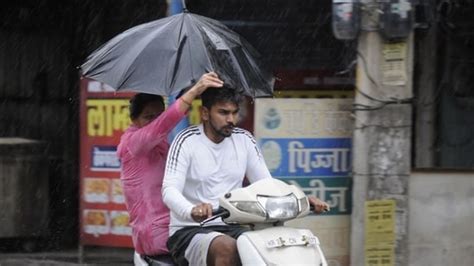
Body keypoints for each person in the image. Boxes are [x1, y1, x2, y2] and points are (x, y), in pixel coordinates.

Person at [162, 86, 329, 265]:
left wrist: (302, 199)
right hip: (191, 230)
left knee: (268, 248)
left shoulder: (244, 139)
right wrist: (191, 211)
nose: (231, 119)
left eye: (234, 113)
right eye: (223, 113)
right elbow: (169, 190)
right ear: (205, 113)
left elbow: (267, 185)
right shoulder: (186, 140)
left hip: (234, 225)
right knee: (227, 248)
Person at [116, 72, 224, 256]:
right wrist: (195, 89)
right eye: (149, 117)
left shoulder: (164, 144)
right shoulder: (132, 143)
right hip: (156, 235)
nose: (154, 122)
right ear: (134, 120)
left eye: (158, 115)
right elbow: (163, 124)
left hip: (178, 225)